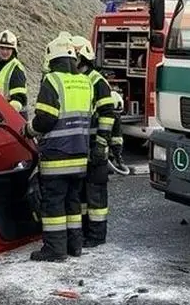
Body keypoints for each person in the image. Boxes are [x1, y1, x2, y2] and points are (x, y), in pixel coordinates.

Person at [27, 34, 93, 261]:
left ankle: (55, 249)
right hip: (80, 153)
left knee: (53, 203)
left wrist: (29, 129)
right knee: (73, 202)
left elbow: (46, 119)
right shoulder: (85, 82)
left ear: (51, 58)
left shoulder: (52, 81)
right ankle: (74, 246)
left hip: (57, 155)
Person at [68, 35, 115, 248]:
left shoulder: (98, 81)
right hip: (81, 146)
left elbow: (108, 115)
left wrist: (102, 144)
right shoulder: (77, 79)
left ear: (83, 56)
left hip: (95, 146)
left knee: (96, 195)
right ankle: (87, 232)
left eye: (75, 55)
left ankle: (97, 236)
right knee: (84, 194)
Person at [0, 30, 27, 116]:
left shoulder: (16, 68)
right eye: (2, 48)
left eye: (8, 49)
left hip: (13, 118)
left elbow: (18, 99)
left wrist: (4, 115)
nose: (4, 52)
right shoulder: (1, 65)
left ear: (13, 50)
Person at [107, 88, 131, 175]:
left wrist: (117, 155)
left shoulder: (116, 119)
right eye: (114, 114)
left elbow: (117, 138)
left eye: (118, 114)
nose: (116, 117)